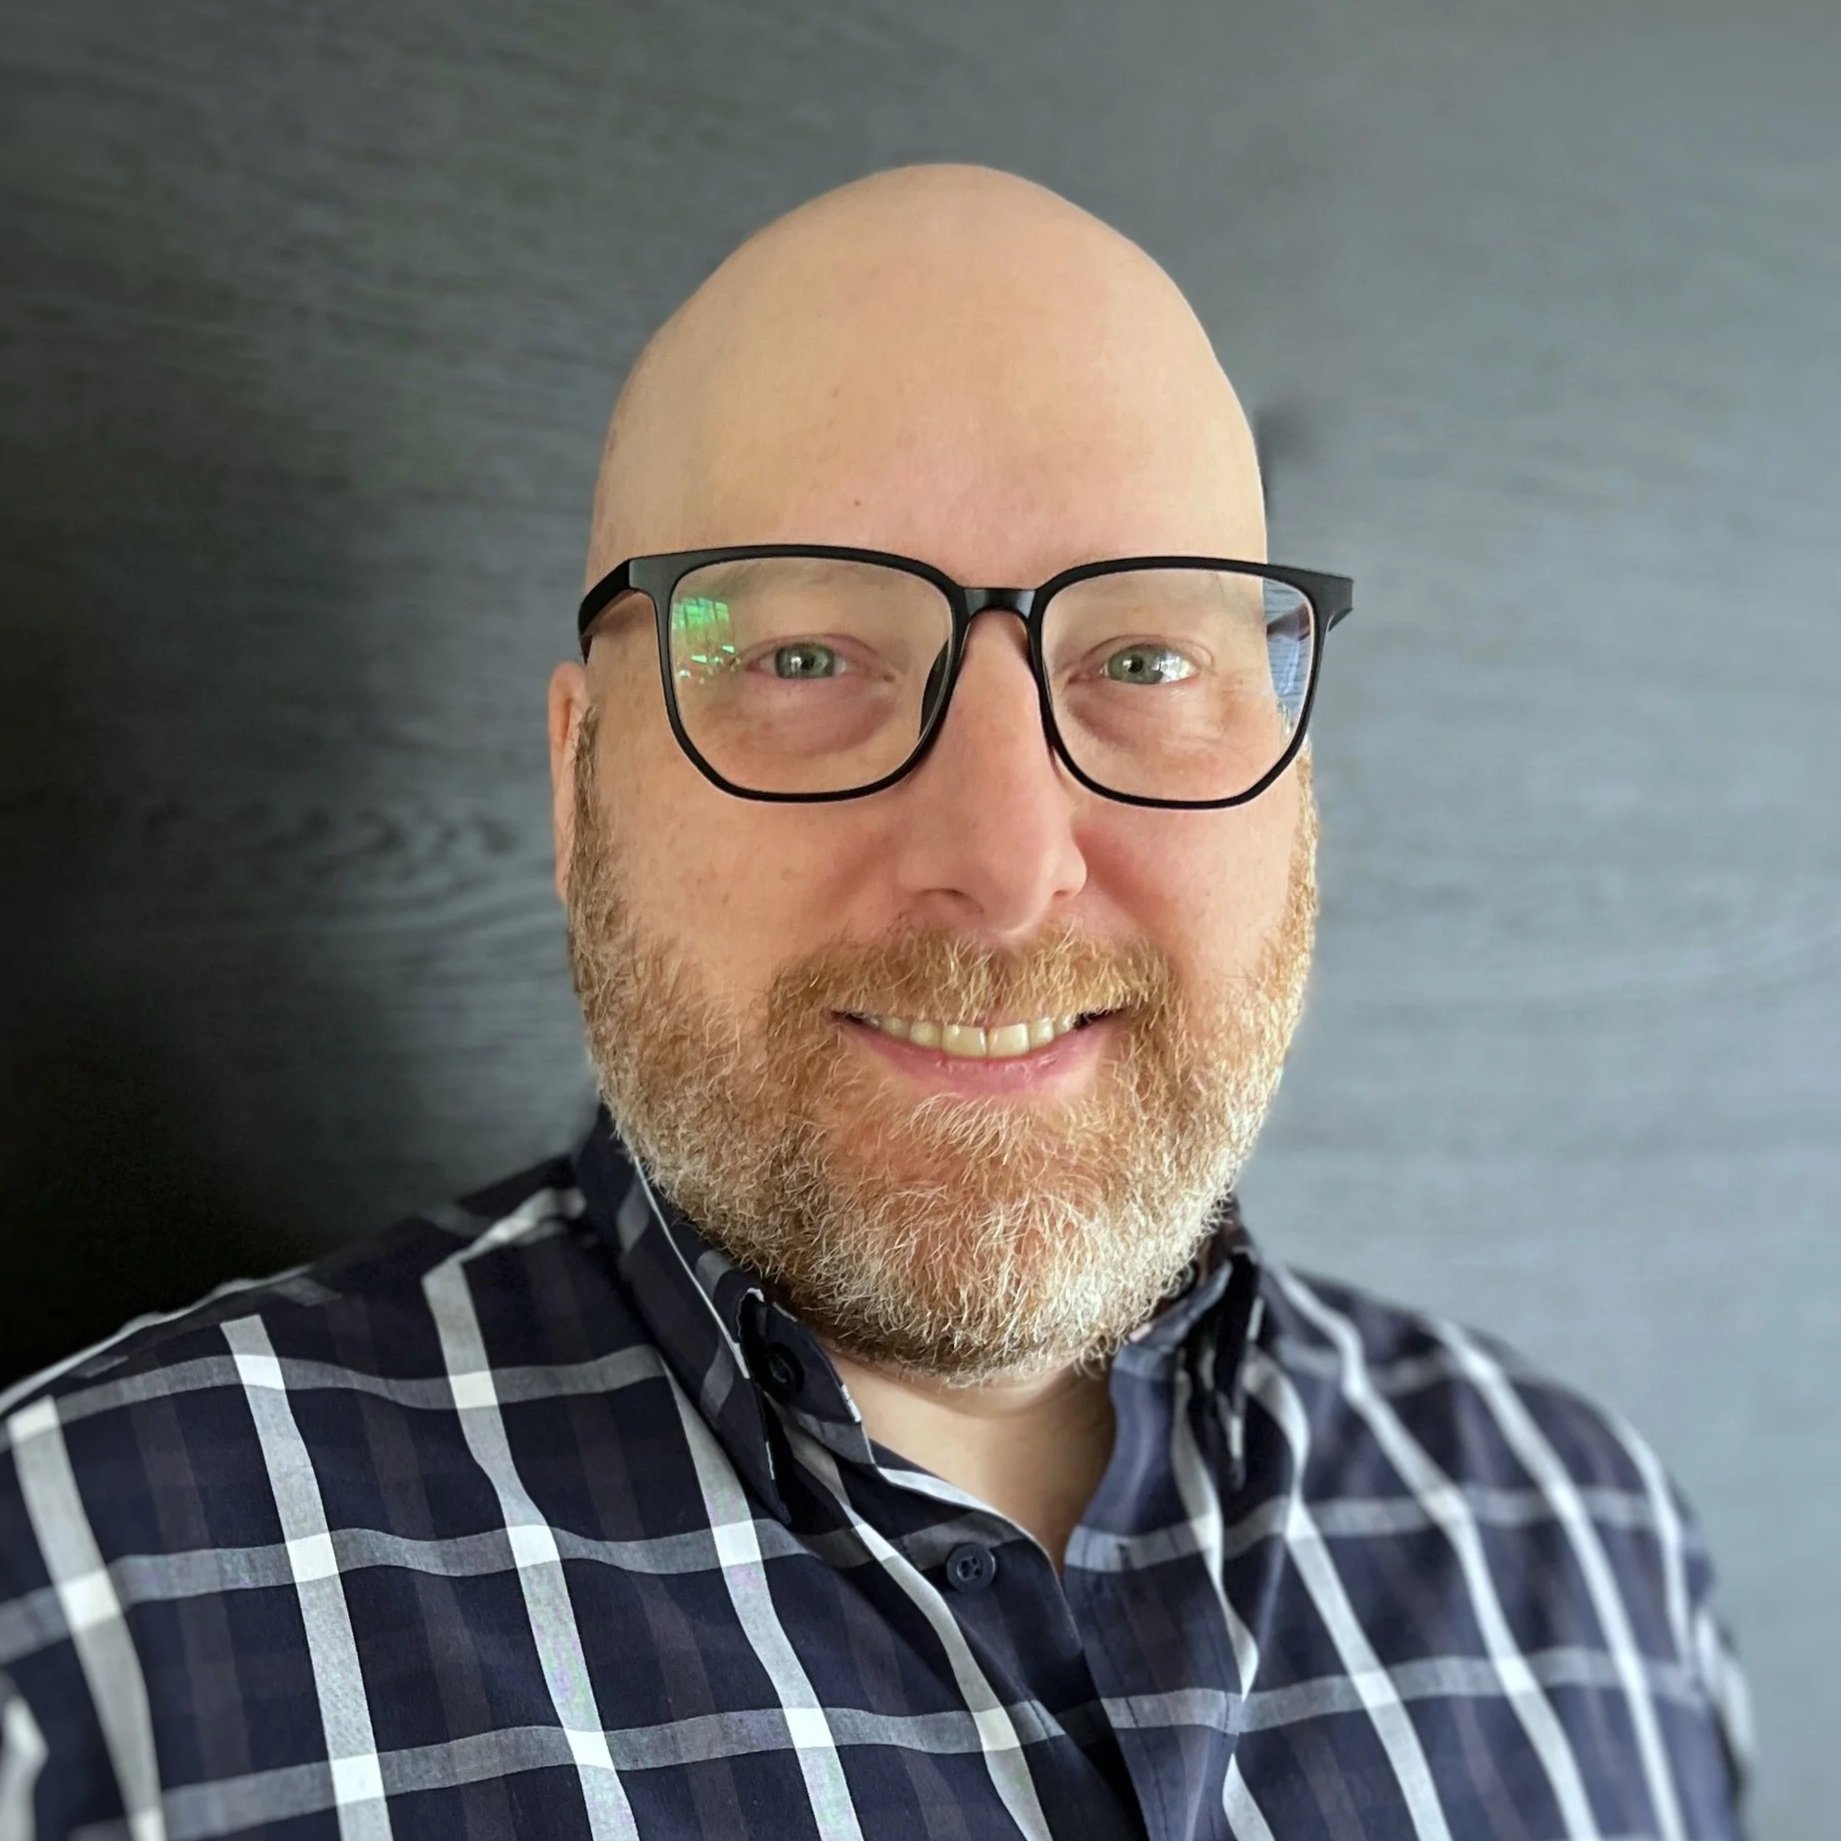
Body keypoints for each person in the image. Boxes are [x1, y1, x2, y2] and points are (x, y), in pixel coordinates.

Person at [0, 162, 1749, 1839]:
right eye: (804, 659)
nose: (1002, 861)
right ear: (576, 778)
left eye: (1144, 660)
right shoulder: (86, 1610)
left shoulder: (1591, 1559)